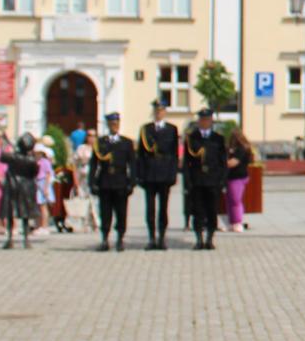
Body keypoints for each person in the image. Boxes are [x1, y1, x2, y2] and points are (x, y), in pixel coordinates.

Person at [137, 100, 179, 250]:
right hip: (149, 174)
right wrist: (139, 175)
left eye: (161, 110)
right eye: (156, 111)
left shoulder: (172, 129)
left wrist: (173, 174)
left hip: (164, 174)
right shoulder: (145, 129)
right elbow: (140, 155)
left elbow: (174, 155)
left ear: (165, 112)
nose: (158, 113)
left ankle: (162, 237)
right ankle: (151, 238)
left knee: (163, 208)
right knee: (150, 209)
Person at [184, 109, 227, 251]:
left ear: (211, 121)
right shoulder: (192, 138)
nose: (205, 122)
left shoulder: (218, 139)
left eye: (207, 120)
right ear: (199, 121)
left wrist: (222, 180)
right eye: (202, 120)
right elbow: (187, 162)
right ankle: (199, 239)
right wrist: (188, 181)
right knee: (198, 211)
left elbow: (222, 162)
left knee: (212, 210)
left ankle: (209, 238)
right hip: (197, 180)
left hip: (213, 180)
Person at [90, 113, 135, 251]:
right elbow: (94, 165)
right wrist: (92, 182)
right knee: (105, 212)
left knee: (121, 212)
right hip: (105, 182)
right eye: (111, 124)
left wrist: (131, 182)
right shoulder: (100, 142)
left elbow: (132, 164)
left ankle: (120, 238)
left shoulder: (126, 143)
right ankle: (105, 239)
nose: (114, 126)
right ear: (108, 125)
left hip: (121, 182)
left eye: (116, 123)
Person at [0, 134, 40, 249]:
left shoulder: (13, 157)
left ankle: (10, 238)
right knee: (25, 214)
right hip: (27, 187)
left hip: (13, 186)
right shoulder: (32, 160)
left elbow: (1, 156)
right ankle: (26, 239)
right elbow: (34, 173)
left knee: (11, 213)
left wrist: (5, 143)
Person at [224, 129, 255, 233]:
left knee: (235, 200)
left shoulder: (241, 149)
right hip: (232, 177)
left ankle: (237, 222)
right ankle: (232, 222)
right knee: (230, 201)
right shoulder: (236, 149)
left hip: (237, 177)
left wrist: (220, 163)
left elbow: (233, 163)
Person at [70, 128, 97, 235]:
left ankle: (96, 223)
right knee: (83, 200)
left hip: (95, 178)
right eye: (89, 135)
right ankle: (84, 223)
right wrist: (75, 180)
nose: (91, 138)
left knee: (95, 201)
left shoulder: (98, 148)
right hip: (83, 178)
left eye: (93, 136)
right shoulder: (82, 149)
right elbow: (74, 165)